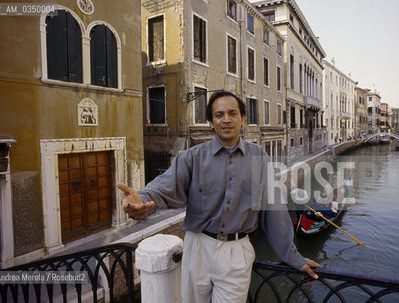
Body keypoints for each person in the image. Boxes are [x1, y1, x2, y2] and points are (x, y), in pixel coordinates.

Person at [118, 90, 320, 303]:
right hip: (197, 247)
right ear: (211, 122)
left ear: (242, 118)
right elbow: (163, 187)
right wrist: (141, 200)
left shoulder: (258, 157)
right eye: (219, 115)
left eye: (232, 113)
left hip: (236, 250)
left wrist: (293, 257)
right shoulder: (191, 157)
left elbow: (272, 209)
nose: (226, 119)